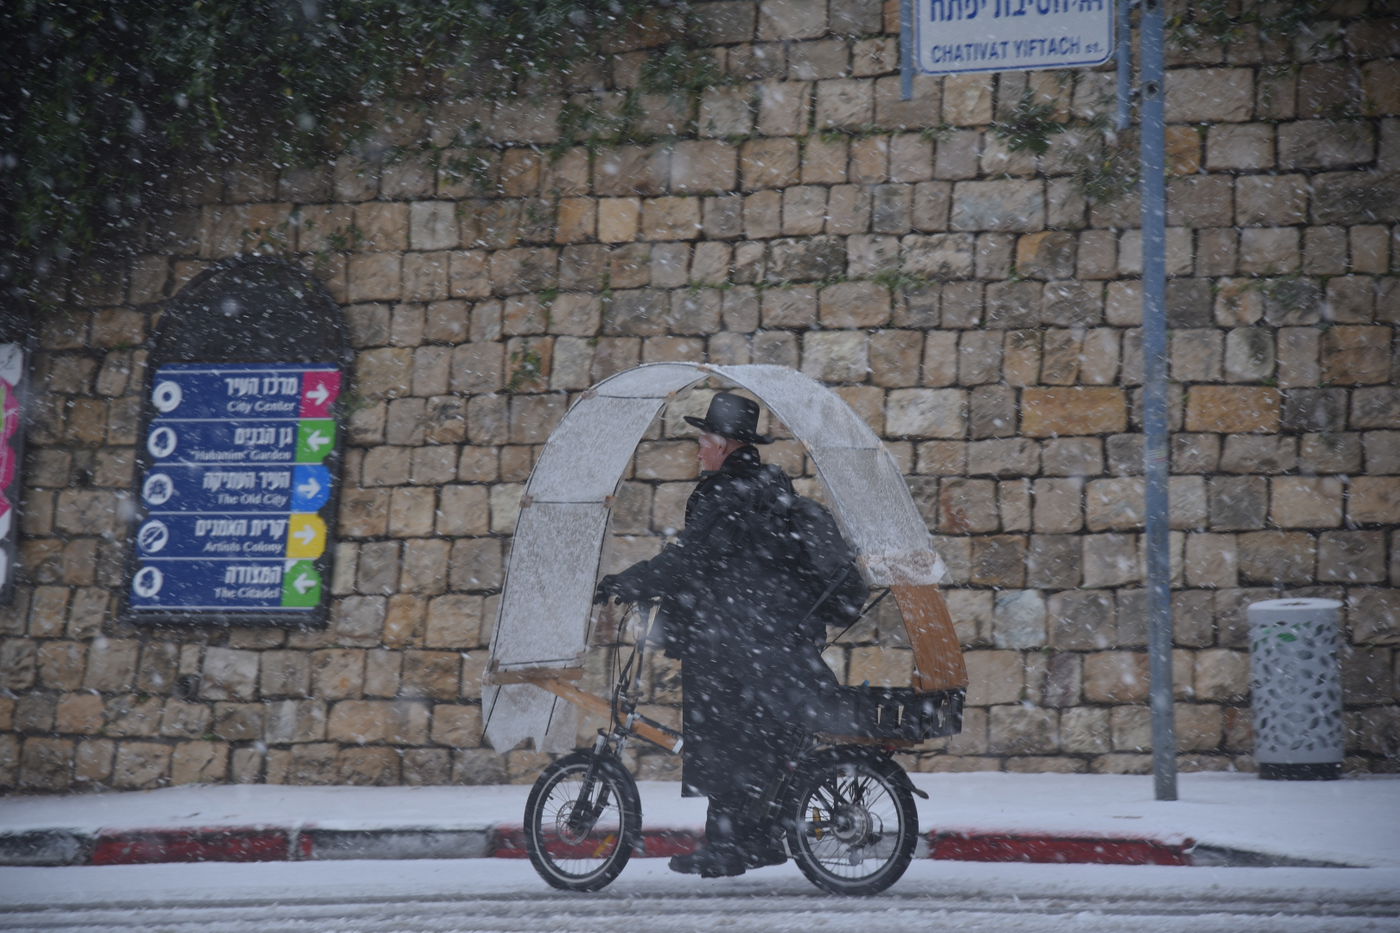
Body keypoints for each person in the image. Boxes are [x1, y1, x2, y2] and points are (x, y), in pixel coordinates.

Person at [594, 392, 836, 878]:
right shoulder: (766, 485)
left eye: (704, 440)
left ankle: (727, 846)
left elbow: (692, 560)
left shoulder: (726, 493)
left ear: (724, 443)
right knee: (752, 742)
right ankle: (755, 840)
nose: (699, 449)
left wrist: (630, 582)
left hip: (732, 637)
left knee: (724, 743)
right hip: (767, 634)